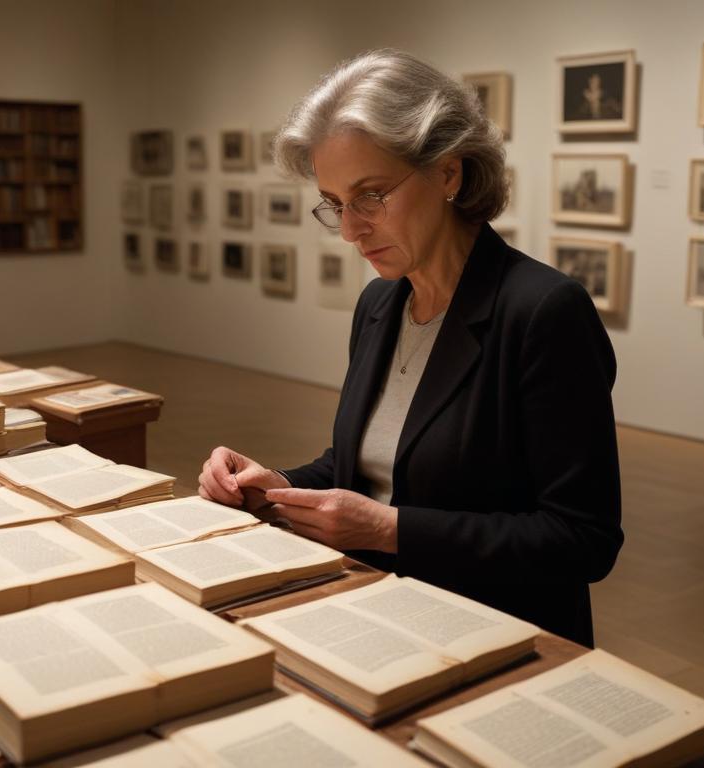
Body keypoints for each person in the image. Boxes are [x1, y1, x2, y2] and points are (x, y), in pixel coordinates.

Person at [197, 49, 622, 647]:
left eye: (371, 195)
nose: (351, 230)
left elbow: (583, 540)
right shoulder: (380, 303)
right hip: (380, 616)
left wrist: (391, 530)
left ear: (449, 173)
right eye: (336, 204)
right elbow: (368, 465)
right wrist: (274, 485)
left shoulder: (543, 312)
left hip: (495, 639)